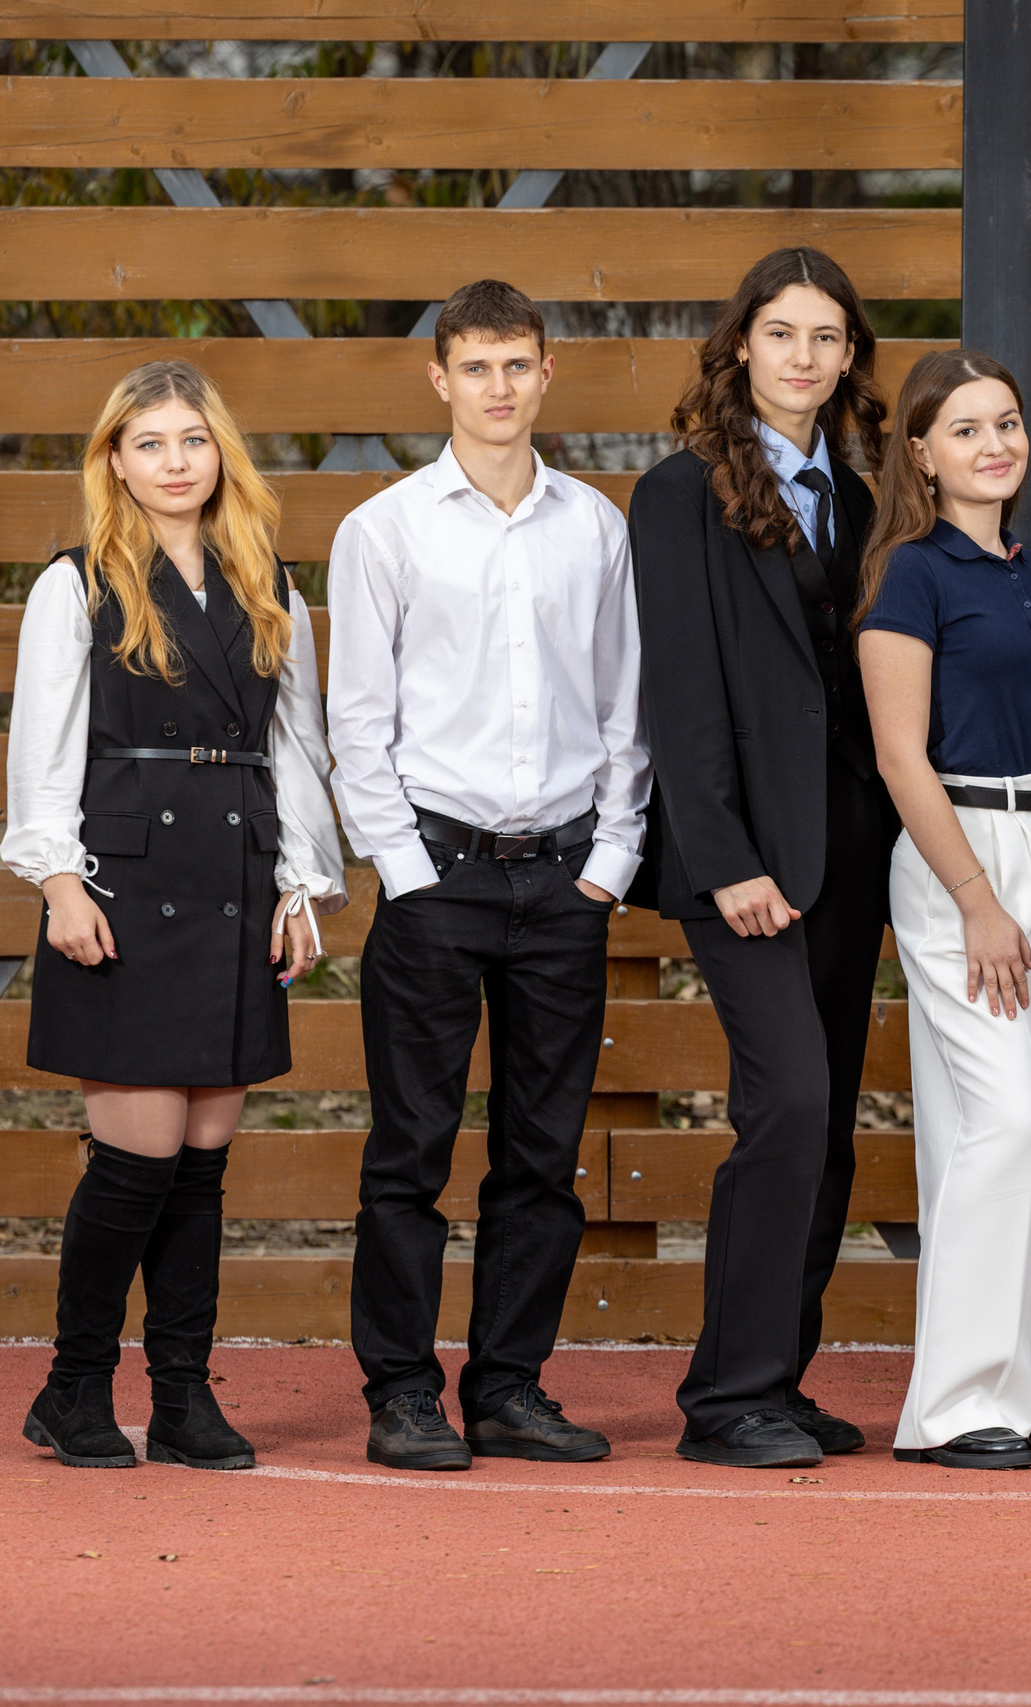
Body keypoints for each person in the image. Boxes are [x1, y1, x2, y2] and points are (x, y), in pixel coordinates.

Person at [328, 279, 650, 1471]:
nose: (498, 389)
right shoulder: (387, 529)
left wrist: (611, 860)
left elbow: (626, 706)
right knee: (410, 1152)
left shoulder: (595, 527)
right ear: (440, 380)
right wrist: (407, 877)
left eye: (517, 366)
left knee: (539, 1156)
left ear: (546, 373)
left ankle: (509, 1385)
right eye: (476, 368)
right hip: (439, 878)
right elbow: (356, 722)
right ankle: (402, 1393)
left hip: (564, 881)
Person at [5, 358, 343, 1471]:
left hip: (238, 874)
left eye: (192, 440)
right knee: (135, 1160)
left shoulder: (264, 579)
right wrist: (57, 880)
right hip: (123, 880)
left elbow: (293, 746)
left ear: (220, 454)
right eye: (148, 443)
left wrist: (301, 884)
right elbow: (42, 744)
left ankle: (186, 1399)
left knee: (203, 1160)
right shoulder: (79, 581)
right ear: (115, 460)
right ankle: (72, 1389)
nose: (174, 462)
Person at [629, 247, 898, 1470]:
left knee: (827, 1120)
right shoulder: (678, 495)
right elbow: (679, 692)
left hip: (853, 848)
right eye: (782, 334)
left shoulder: (868, 486)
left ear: (849, 356)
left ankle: (777, 1378)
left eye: (826, 338)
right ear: (742, 343)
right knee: (784, 1102)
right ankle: (723, 1396)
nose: (803, 358)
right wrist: (724, 856)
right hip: (745, 860)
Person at [856, 349, 1031, 1471]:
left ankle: (1023, 1382)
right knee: (1000, 1114)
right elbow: (899, 757)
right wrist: (977, 898)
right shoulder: (908, 576)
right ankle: (953, 1405)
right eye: (963, 429)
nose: (992, 444)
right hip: (962, 852)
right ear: (920, 452)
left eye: (1004, 423)